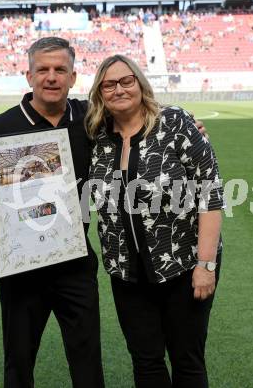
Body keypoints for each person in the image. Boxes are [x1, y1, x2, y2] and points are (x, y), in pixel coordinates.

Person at [0, 37, 104, 388]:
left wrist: (188, 126)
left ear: (73, 77)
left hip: (74, 260)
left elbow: (139, 123)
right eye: (42, 69)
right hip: (21, 268)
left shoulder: (92, 118)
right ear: (28, 76)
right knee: (19, 361)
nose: (51, 77)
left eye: (60, 70)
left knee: (87, 358)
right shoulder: (0, 128)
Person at [85, 54, 224, 388]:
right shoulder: (97, 137)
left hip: (184, 266)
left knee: (187, 361)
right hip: (127, 274)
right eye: (108, 84)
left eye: (126, 80)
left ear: (140, 83)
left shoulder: (175, 123)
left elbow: (211, 194)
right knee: (146, 363)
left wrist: (205, 265)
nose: (118, 89)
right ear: (100, 93)